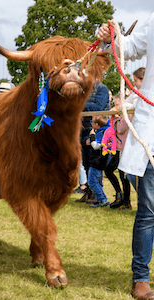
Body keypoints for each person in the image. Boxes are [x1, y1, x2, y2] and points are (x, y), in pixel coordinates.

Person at [97, 15, 154, 299]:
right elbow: (128, 48)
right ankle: (141, 278)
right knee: (149, 210)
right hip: (152, 132)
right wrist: (112, 37)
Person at [77, 79, 110, 203]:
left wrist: (80, 103)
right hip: (83, 128)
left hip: (96, 130)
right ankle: (89, 192)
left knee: (95, 164)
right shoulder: (83, 90)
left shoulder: (102, 89)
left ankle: (97, 194)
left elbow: (98, 107)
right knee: (86, 162)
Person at [107, 94, 133, 210]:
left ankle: (126, 201)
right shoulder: (122, 114)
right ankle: (119, 194)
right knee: (109, 170)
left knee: (124, 175)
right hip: (118, 147)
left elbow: (120, 129)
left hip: (125, 147)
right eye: (115, 104)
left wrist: (116, 117)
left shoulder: (129, 113)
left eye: (118, 105)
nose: (116, 107)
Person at [86, 115, 110, 208]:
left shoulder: (101, 132)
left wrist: (92, 136)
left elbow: (96, 146)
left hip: (97, 160)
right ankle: (99, 199)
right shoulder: (104, 131)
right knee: (98, 181)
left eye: (92, 122)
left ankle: (102, 199)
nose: (91, 124)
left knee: (92, 181)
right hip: (100, 160)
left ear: (97, 124)